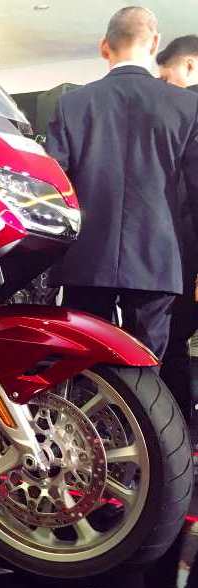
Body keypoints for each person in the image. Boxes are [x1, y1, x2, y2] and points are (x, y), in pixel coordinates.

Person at [45, 6, 198, 360]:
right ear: (155, 43)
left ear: (104, 47)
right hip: (157, 260)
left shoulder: (71, 104)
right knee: (145, 365)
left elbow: (54, 186)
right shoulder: (188, 106)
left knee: (80, 364)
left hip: (86, 258)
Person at [156, 36, 198, 423]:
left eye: (166, 78)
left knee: (171, 341)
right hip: (183, 249)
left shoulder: (187, 109)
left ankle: (177, 432)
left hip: (183, 252)